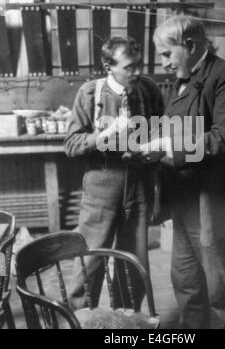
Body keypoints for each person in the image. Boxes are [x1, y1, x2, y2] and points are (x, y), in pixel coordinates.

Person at [139, 16, 225, 329]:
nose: (164, 63)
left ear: (190, 45)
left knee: (223, 290)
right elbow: (175, 130)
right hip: (184, 200)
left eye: (167, 54)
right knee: (187, 283)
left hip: (214, 202)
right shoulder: (183, 81)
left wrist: (166, 146)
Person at [64, 36, 164, 311]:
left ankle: (126, 321)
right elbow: (71, 144)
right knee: (90, 260)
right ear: (109, 66)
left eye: (139, 65)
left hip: (140, 185)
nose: (137, 72)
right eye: (129, 67)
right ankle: (79, 320)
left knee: (134, 262)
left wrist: (152, 149)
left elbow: (161, 131)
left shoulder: (150, 90)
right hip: (102, 185)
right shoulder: (89, 93)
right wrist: (103, 135)